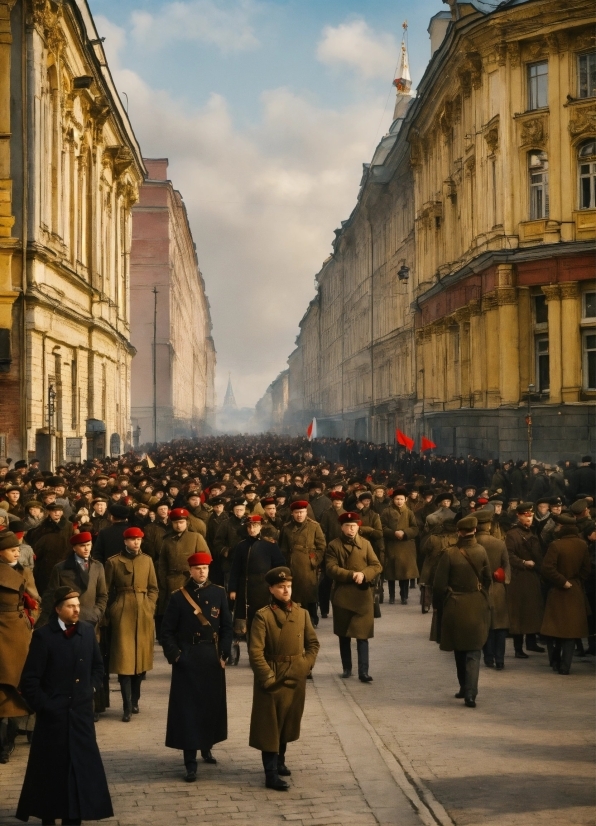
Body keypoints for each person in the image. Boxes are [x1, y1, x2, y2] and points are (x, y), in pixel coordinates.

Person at [15, 587, 113, 825]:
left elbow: (98, 668)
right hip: (53, 719)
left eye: (78, 605)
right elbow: (29, 681)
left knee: (80, 769)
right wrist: (46, 706)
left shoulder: (88, 633)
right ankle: (48, 815)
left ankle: (75, 816)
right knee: (52, 772)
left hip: (81, 717)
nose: (77, 609)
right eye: (71, 606)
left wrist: (89, 689)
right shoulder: (44, 636)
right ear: (58, 609)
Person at [160, 552, 233, 782]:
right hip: (188, 658)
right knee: (188, 710)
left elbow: (226, 627)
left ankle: (206, 746)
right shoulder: (179, 597)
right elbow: (167, 631)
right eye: (197, 568)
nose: (202, 572)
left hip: (211, 657)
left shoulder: (218, 592)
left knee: (209, 706)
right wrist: (176, 656)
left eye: (205, 568)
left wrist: (224, 654)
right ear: (190, 570)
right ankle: (189, 761)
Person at [248, 567, 319, 791]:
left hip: (295, 674)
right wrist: (267, 677)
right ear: (271, 589)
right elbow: (255, 652)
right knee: (269, 725)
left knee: (288, 720)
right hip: (272, 674)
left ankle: (280, 762)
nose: (286, 590)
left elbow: (313, 644)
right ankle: (270, 774)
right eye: (281, 587)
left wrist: (304, 665)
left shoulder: (302, 614)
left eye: (288, 586)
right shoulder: (263, 616)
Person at [432, 516, 492, 708]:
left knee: (459, 649)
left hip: (455, 606)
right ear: (475, 530)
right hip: (476, 603)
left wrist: (439, 605)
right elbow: (488, 578)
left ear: (459, 532)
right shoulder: (481, 551)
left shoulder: (450, 553)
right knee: (474, 651)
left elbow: (439, 585)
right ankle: (471, 693)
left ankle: (463, 686)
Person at [104, 526, 158, 721]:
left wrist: (150, 606)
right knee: (124, 660)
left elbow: (154, 588)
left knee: (140, 661)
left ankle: (135, 699)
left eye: (139, 539)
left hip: (143, 613)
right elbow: (106, 589)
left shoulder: (147, 560)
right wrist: (112, 609)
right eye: (132, 539)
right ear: (125, 541)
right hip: (122, 613)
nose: (136, 542)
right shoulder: (113, 562)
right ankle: (126, 706)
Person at [325, 512, 382, 682]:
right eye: (348, 526)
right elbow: (330, 568)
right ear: (341, 527)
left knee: (362, 635)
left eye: (354, 526)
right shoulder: (334, 546)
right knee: (344, 634)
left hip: (363, 595)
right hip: (342, 595)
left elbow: (376, 565)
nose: (351, 529)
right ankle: (347, 668)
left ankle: (363, 671)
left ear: (359, 527)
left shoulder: (365, 544)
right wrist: (351, 575)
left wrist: (364, 574)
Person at [0, 531, 39, 764]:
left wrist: (29, 621)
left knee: (18, 682)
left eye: (18, 548)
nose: (17, 551)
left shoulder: (24, 571)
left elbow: (35, 601)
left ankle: (14, 735)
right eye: (12, 549)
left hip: (17, 633)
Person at [540, 514, 591, 674]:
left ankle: (556, 660)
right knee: (570, 631)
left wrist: (562, 581)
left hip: (558, 592)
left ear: (562, 527)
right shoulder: (582, 545)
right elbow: (586, 569)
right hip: (575, 591)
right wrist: (576, 582)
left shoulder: (556, 545)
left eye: (558, 525)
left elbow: (547, 568)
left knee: (556, 629)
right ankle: (565, 666)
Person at [39, 532, 107, 631]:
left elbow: (102, 594)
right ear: (74, 548)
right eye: (82, 546)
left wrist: (96, 613)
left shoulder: (98, 566)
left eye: (88, 545)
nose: (86, 549)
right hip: (67, 621)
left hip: (90, 620)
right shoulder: (60, 568)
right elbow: (52, 595)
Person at [228, 515, 285, 631]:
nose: (252, 529)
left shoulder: (270, 545)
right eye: (249, 527)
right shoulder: (241, 546)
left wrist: (277, 585)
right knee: (248, 620)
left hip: (264, 588)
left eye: (255, 526)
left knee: (264, 619)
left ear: (260, 527)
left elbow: (279, 566)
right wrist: (233, 589)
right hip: (246, 588)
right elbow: (235, 569)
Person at [505, 503, 545, 658]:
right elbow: (509, 555)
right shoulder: (512, 534)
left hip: (533, 576)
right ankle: (518, 648)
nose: (529, 518)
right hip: (519, 577)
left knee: (533, 611)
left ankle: (531, 642)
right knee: (519, 613)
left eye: (530, 515)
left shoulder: (534, 531)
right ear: (519, 516)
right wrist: (523, 562)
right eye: (525, 515)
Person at [279, 501, 326, 627]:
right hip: (292, 565)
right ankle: (295, 617)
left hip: (308, 565)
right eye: (296, 512)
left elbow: (321, 546)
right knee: (294, 593)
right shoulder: (287, 527)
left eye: (301, 512)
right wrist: (286, 563)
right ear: (292, 513)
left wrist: (313, 560)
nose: (299, 515)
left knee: (309, 592)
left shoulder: (314, 526)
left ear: (306, 512)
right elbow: (282, 548)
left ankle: (312, 617)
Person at [474, 510, 510, 670]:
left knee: (486, 624)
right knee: (500, 626)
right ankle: (500, 659)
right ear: (489, 526)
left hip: (479, 588)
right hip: (498, 587)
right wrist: (505, 580)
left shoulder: (473, 544)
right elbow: (506, 565)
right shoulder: (499, 543)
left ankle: (488, 657)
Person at [381, 488, 419, 604]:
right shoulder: (386, 512)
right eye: (397, 499)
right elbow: (382, 527)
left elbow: (415, 528)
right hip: (392, 544)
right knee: (391, 572)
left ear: (406, 500)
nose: (399, 501)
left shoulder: (409, 512)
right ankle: (391, 596)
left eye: (401, 499)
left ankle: (404, 596)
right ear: (393, 500)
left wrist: (405, 533)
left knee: (405, 572)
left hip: (406, 546)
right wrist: (393, 533)